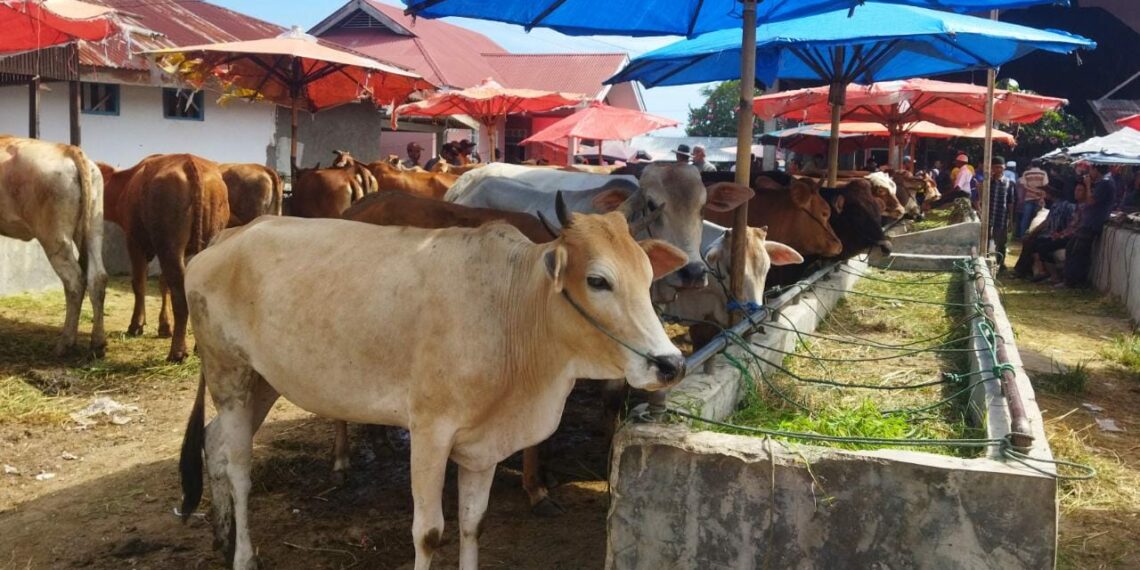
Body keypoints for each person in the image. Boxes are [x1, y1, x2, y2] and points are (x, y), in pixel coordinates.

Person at [1063, 162, 1117, 287]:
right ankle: (1070, 279)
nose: (1089, 174)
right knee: (1072, 248)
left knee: (1079, 252)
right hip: (1089, 221)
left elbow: (1090, 201)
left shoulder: (1105, 183)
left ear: (1096, 170)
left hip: (1093, 222)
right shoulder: (1103, 182)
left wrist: (1087, 186)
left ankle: (1075, 281)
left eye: (1091, 170)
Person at [1011, 185, 1075, 279]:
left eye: (1046, 193)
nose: (1044, 196)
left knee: (1034, 244)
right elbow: (1047, 222)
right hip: (1053, 235)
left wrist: (1033, 233)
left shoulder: (1063, 206)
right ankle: (1025, 271)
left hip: (1060, 236)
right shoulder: (1055, 205)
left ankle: (1023, 271)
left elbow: (1055, 225)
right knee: (1029, 240)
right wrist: (1033, 233)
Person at [975, 156, 1016, 270]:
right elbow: (980, 197)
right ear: (992, 168)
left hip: (1001, 216)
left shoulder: (1009, 183)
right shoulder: (987, 182)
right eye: (996, 167)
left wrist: (1011, 220)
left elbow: (1010, 202)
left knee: (1001, 242)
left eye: (1000, 167)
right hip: (987, 216)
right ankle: (985, 262)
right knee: (985, 240)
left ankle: (1001, 264)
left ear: (1004, 168)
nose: (998, 170)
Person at [1015, 160, 1049, 239]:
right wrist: (1039, 194)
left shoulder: (1026, 173)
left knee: (1025, 218)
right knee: (1038, 220)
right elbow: (1045, 185)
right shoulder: (1043, 173)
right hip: (1040, 199)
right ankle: (1035, 237)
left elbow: (1024, 186)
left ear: (1031, 164)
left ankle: (1022, 237)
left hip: (1029, 198)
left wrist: (1033, 191)